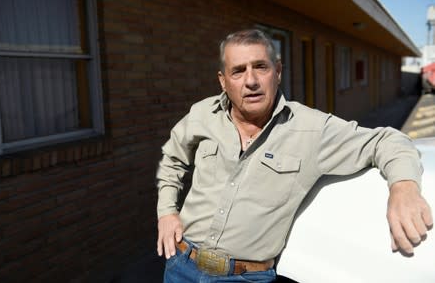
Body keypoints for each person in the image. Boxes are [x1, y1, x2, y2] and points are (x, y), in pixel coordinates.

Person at [156, 29, 433, 282]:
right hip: (181, 266)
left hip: (244, 277)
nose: (250, 81)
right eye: (238, 71)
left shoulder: (311, 129)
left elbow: (388, 140)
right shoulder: (202, 114)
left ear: (277, 72)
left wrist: (404, 187)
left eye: (260, 67)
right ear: (223, 80)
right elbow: (172, 159)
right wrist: (167, 211)